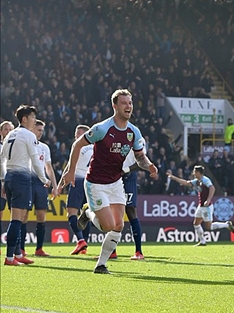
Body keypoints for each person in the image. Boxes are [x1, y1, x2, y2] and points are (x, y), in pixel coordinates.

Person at [57, 89, 158, 274]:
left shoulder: (133, 131)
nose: (128, 106)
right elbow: (77, 144)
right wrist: (71, 171)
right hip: (95, 183)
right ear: (115, 106)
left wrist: (149, 165)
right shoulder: (102, 128)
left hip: (116, 183)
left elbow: (140, 156)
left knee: (119, 225)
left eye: (130, 102)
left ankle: (101, 265)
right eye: (124, 103)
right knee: (108, 226)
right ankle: (87, 213)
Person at [1, 105, 51, 266]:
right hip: (21, 178)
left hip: (10, 177)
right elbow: (36, 161)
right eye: (32, 118)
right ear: (24, 119)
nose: (34, 121)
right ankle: (9, 258)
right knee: (17, 219)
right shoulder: (28, 135)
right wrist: (44, 179)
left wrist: (3, 180)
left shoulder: (10, 135)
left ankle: (17, 253)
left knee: (21, 217)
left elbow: (1, 159)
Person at [167, 165, 234, 246]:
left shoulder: (205, 180)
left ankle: (227, 225)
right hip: (201, 206)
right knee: (196, 223)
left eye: (194, 172)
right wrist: (174, 178)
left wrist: (208, 200)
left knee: (208, 227)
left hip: (207, 207)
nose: (193, 173)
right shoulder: (197, 181)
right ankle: (202, 241)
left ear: (199, 172)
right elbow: (186, 183)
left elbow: (212, 188)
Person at [24, 120, 58, 257]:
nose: (41, 133)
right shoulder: (25, 145)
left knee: (41, 215)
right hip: (27, 181)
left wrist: (55, 186)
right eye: (39, 130)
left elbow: (48, 167)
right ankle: (20, 249)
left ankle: (39, 249)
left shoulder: (45, 147)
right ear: (31, 130)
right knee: (24, 215)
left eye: (42, 131)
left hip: (41, 183)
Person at [64, 125, 93, 255]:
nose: (76, 135)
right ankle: (84, 246)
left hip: (78, 181)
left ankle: (81, 240)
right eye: (76, 133)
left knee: (71, 213)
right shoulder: (96, 148)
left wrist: (59, 186)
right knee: (86, 215)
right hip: (91, 183)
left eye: (79, 133)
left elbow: (70, 168)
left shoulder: (78, 146)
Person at [0, 121, 15, 236]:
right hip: (2, 182)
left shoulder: (17, 148)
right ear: (1, 132)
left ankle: (16, 247)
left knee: (14, 213)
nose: (8, 131)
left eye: (10, 129)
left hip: (12, 181)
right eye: (6, 129)